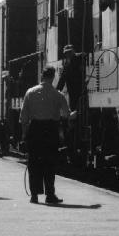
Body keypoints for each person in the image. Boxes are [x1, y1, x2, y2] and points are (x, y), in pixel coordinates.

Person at [20, 66, 73, 205]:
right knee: (49, 164)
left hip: (35, 130)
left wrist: (25, 136)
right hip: (50, 131)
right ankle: (50, 195)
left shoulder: (30, 92)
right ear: (53, 77)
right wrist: (73, 115)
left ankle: (34, 196)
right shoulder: (58, 95)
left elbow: (23, 118)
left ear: (42, 76)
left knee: (34, 164)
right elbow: (67, 114)